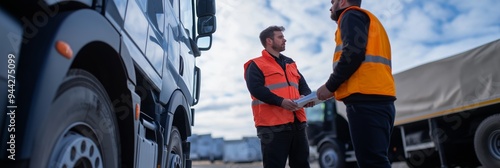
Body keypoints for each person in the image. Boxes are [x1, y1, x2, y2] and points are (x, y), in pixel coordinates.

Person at [316, 0, 397, 168]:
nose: (330, 6)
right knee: (377, 160)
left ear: (343, 1)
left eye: (333, 1)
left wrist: (330, 86)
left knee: (372, 163)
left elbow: (352, 54)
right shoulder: (367, 19)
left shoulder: (350, 15)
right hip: (379, 99)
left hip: (365, 101)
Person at [243, 25, 314, 168]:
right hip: (272, 126)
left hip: (298, 124)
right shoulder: (256, 64)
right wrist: (280, 101)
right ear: (269, 41)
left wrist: (306, 98)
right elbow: (256, 89)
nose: (284, 40)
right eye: (280, 37)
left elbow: (304, 87)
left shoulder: (290, 63)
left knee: (302, 165)